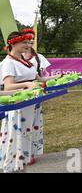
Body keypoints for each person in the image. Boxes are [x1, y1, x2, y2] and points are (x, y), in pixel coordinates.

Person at [0, 32, 49, 172]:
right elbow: (8, 86)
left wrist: (62, 77)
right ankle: (15, 161)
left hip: (32, 100)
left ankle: (26, 156)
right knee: (19, 133)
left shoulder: (25, 61)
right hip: (19, 103)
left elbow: (38, 80)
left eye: (29, 42)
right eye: (25, 43)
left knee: (29, 131)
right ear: (13, 43)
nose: (29, 45)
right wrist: (27, 84)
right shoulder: (8, 63)